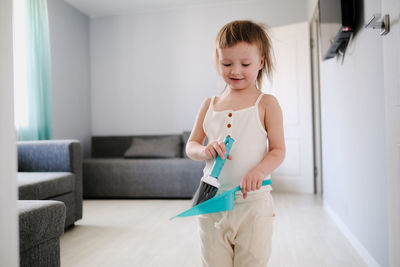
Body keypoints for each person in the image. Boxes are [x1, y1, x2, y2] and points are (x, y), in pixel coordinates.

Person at [185, 20, 286, 267]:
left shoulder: (266, 103)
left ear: (261, 62)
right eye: (227, 63)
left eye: (245, 64)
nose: (236, 71)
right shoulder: (209, 104)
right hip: (211, 203)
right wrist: (204, 150)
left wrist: (259, 170)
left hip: (252, 205)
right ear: (218, 62)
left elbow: (278, 150)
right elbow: (192, 145)